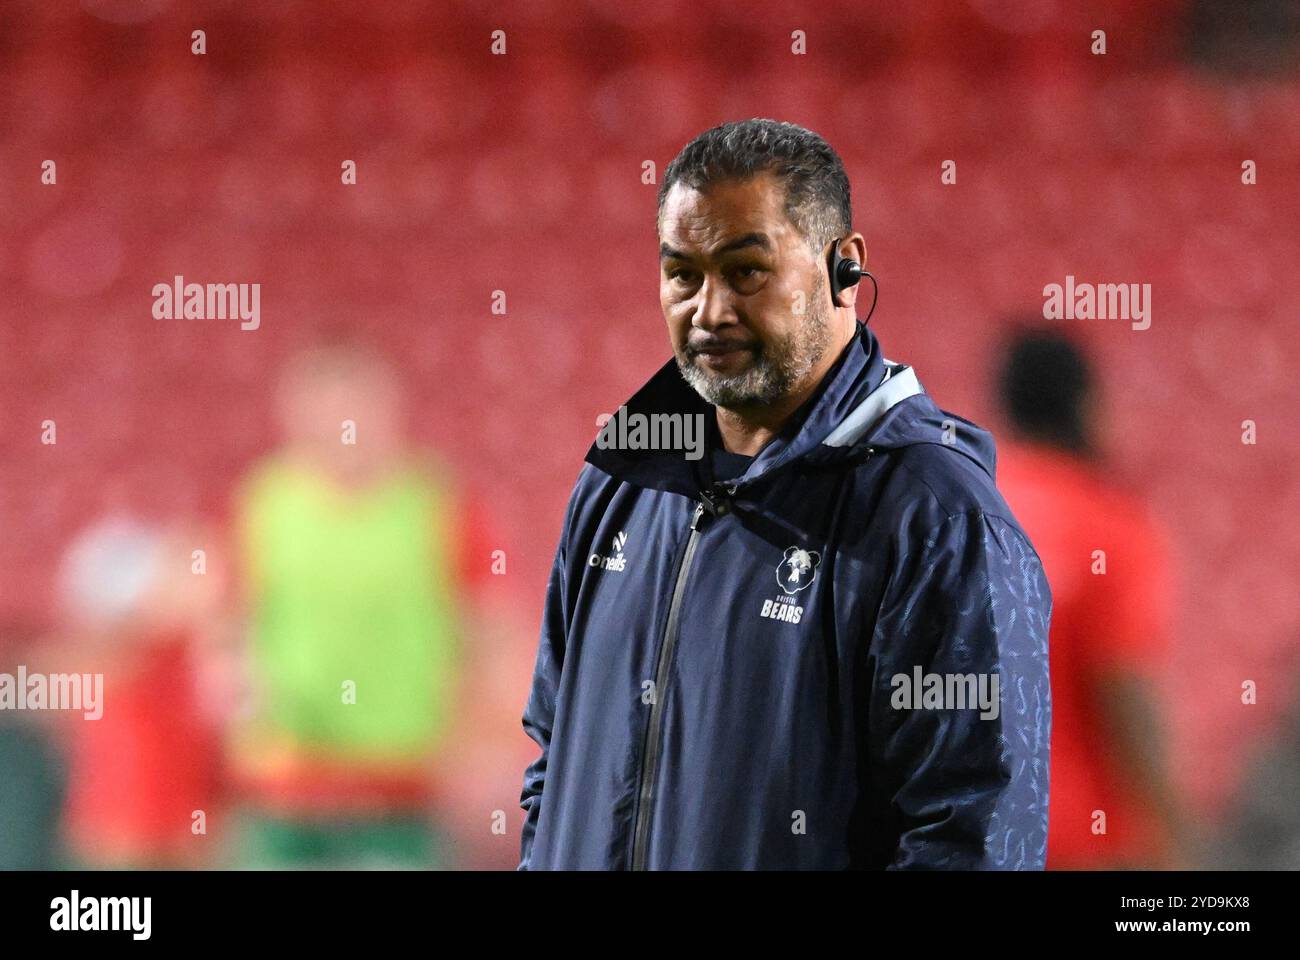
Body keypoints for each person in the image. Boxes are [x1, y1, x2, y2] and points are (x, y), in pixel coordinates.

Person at [517, 119, 1053, 870]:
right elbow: (553, 760)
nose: (709, 311)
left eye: (746, 272)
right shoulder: (619, 480)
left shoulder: (938, 523)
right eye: (683, 274)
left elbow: (973, 841)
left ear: (844, 265)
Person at [227, 341, 482, 869]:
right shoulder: (261, 502)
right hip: (285, 781)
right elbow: (227, 618)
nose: (343, 425)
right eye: (324, 410)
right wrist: (230, 671)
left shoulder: (436, 503)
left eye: (356, 407)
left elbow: (488, 626)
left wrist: (482, 737)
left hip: (401, 784)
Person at [994, 327, 1185, 869]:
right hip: (1076, 843)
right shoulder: (1110, 523)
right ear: (1087, 402)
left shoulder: (960, 510)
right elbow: (1126, 690)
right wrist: (1174, 832)